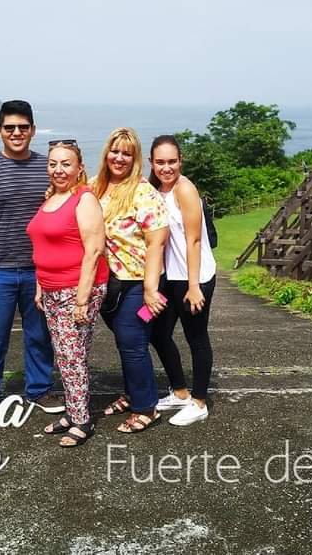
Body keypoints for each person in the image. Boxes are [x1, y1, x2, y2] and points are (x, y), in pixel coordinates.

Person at [0, 100, 64, 413]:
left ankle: (40, 389)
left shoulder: (48, 168)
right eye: (9, 128)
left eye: (22, 127)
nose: (16, 133)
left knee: (40, 337)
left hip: (40, 271)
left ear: (33, 130)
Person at [26, 140, 109, 447]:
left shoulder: (84, 199)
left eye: (66, 164)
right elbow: (43, 246)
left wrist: (82, 299)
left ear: (79, 169)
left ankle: (82, 421)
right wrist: (39, 285)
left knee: (73, 357)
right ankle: (73, 413)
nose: (59, 170)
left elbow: (94, 250)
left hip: (77, 289)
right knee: (63, 356)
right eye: (53, 164)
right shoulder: (51, 198)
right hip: (51, 289)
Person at [92, 127, 169, 433]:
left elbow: (156, 243)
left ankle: (146, 407)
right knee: (125, 343)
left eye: (127, 153)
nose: (119, 158)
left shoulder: (142, 192)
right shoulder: (96, 187)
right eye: (115, 151)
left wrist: (151, 290)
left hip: (140, 284)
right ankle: (133, 392)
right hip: (108, 284)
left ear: (136, 158)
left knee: (133, 343)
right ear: (106, 153)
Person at [148, 134, 217, 426]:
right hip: (169, 278)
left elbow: (194, 240)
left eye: (172, 161)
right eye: (160, 162)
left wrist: (193, 286)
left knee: (196, 337)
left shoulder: (185, 189)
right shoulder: (153, 189)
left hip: (194, 277)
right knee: (156, 333)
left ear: (180, 161)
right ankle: (179, 391)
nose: (167, 167)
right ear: (151, 163)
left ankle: (199, 402)